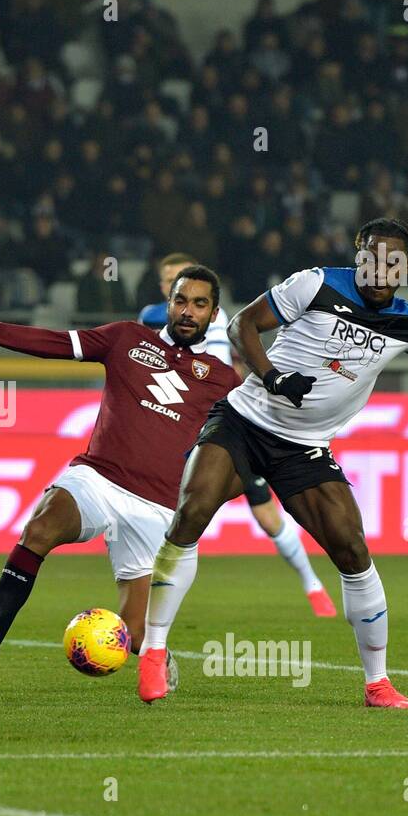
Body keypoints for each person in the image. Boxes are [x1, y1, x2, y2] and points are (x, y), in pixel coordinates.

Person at [135, 218, 408, 708]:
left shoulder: (404, 322)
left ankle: (377, 683)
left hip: (304, 447)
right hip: (244, 422)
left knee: (352, 550)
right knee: (193, 511)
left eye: (393, 259)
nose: (380, 266)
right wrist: (272, 377)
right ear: (358, 255)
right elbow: (245, 323)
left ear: (407, 266)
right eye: (371, 255)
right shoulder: (316, 283)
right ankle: (154, 652)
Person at [0, 265, 243, 689]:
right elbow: (49, 343)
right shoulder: (126, 339)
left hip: (158, 509)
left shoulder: (224, 381)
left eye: (200, 304)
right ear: (168, 303)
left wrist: (211, 497)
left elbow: (245, 453)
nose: (188, 311)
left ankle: (156, 652)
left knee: (136, 634)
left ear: (214, 312)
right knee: (39, 528)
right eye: (181, 300)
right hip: (97, 479)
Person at [141, 253, 334, 615]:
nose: (170, 285)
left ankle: (311, 582)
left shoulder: (214, 323)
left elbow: (214, 376)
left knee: (265, 515)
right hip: (177, 424)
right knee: (175, 510)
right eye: (167, 281)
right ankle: (150, 605)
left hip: (224, 427)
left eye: (176, 279)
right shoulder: (153, 320)